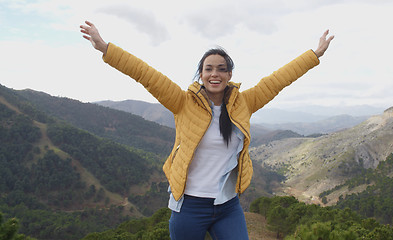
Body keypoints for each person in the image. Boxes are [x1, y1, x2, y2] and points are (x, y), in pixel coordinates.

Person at [80, 20, 333, 240]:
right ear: (200, 74)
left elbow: (278, 80)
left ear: (229, 74)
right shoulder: (182, 102)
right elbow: (145, 73)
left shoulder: (244, 102)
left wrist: (315, 54)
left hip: (227, 206)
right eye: (208, 69)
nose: (215, 74)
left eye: (221, 69)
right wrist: (105, 48)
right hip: (189, 206)